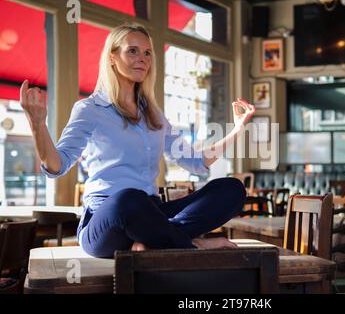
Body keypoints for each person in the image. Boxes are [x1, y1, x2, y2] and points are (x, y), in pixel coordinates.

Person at [20, 24, 256, 258]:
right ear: (112, 57)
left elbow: (195, 161)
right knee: (128, 199)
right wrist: (38, 124)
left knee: (231, 189)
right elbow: (56, 165)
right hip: (108, 219)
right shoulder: (89, 109)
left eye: (147, 53)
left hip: (152, 213)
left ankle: (157, 241)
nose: (142, 58)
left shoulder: (154, 115)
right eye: (132, 50)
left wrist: (237, 128)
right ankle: (190, 245)